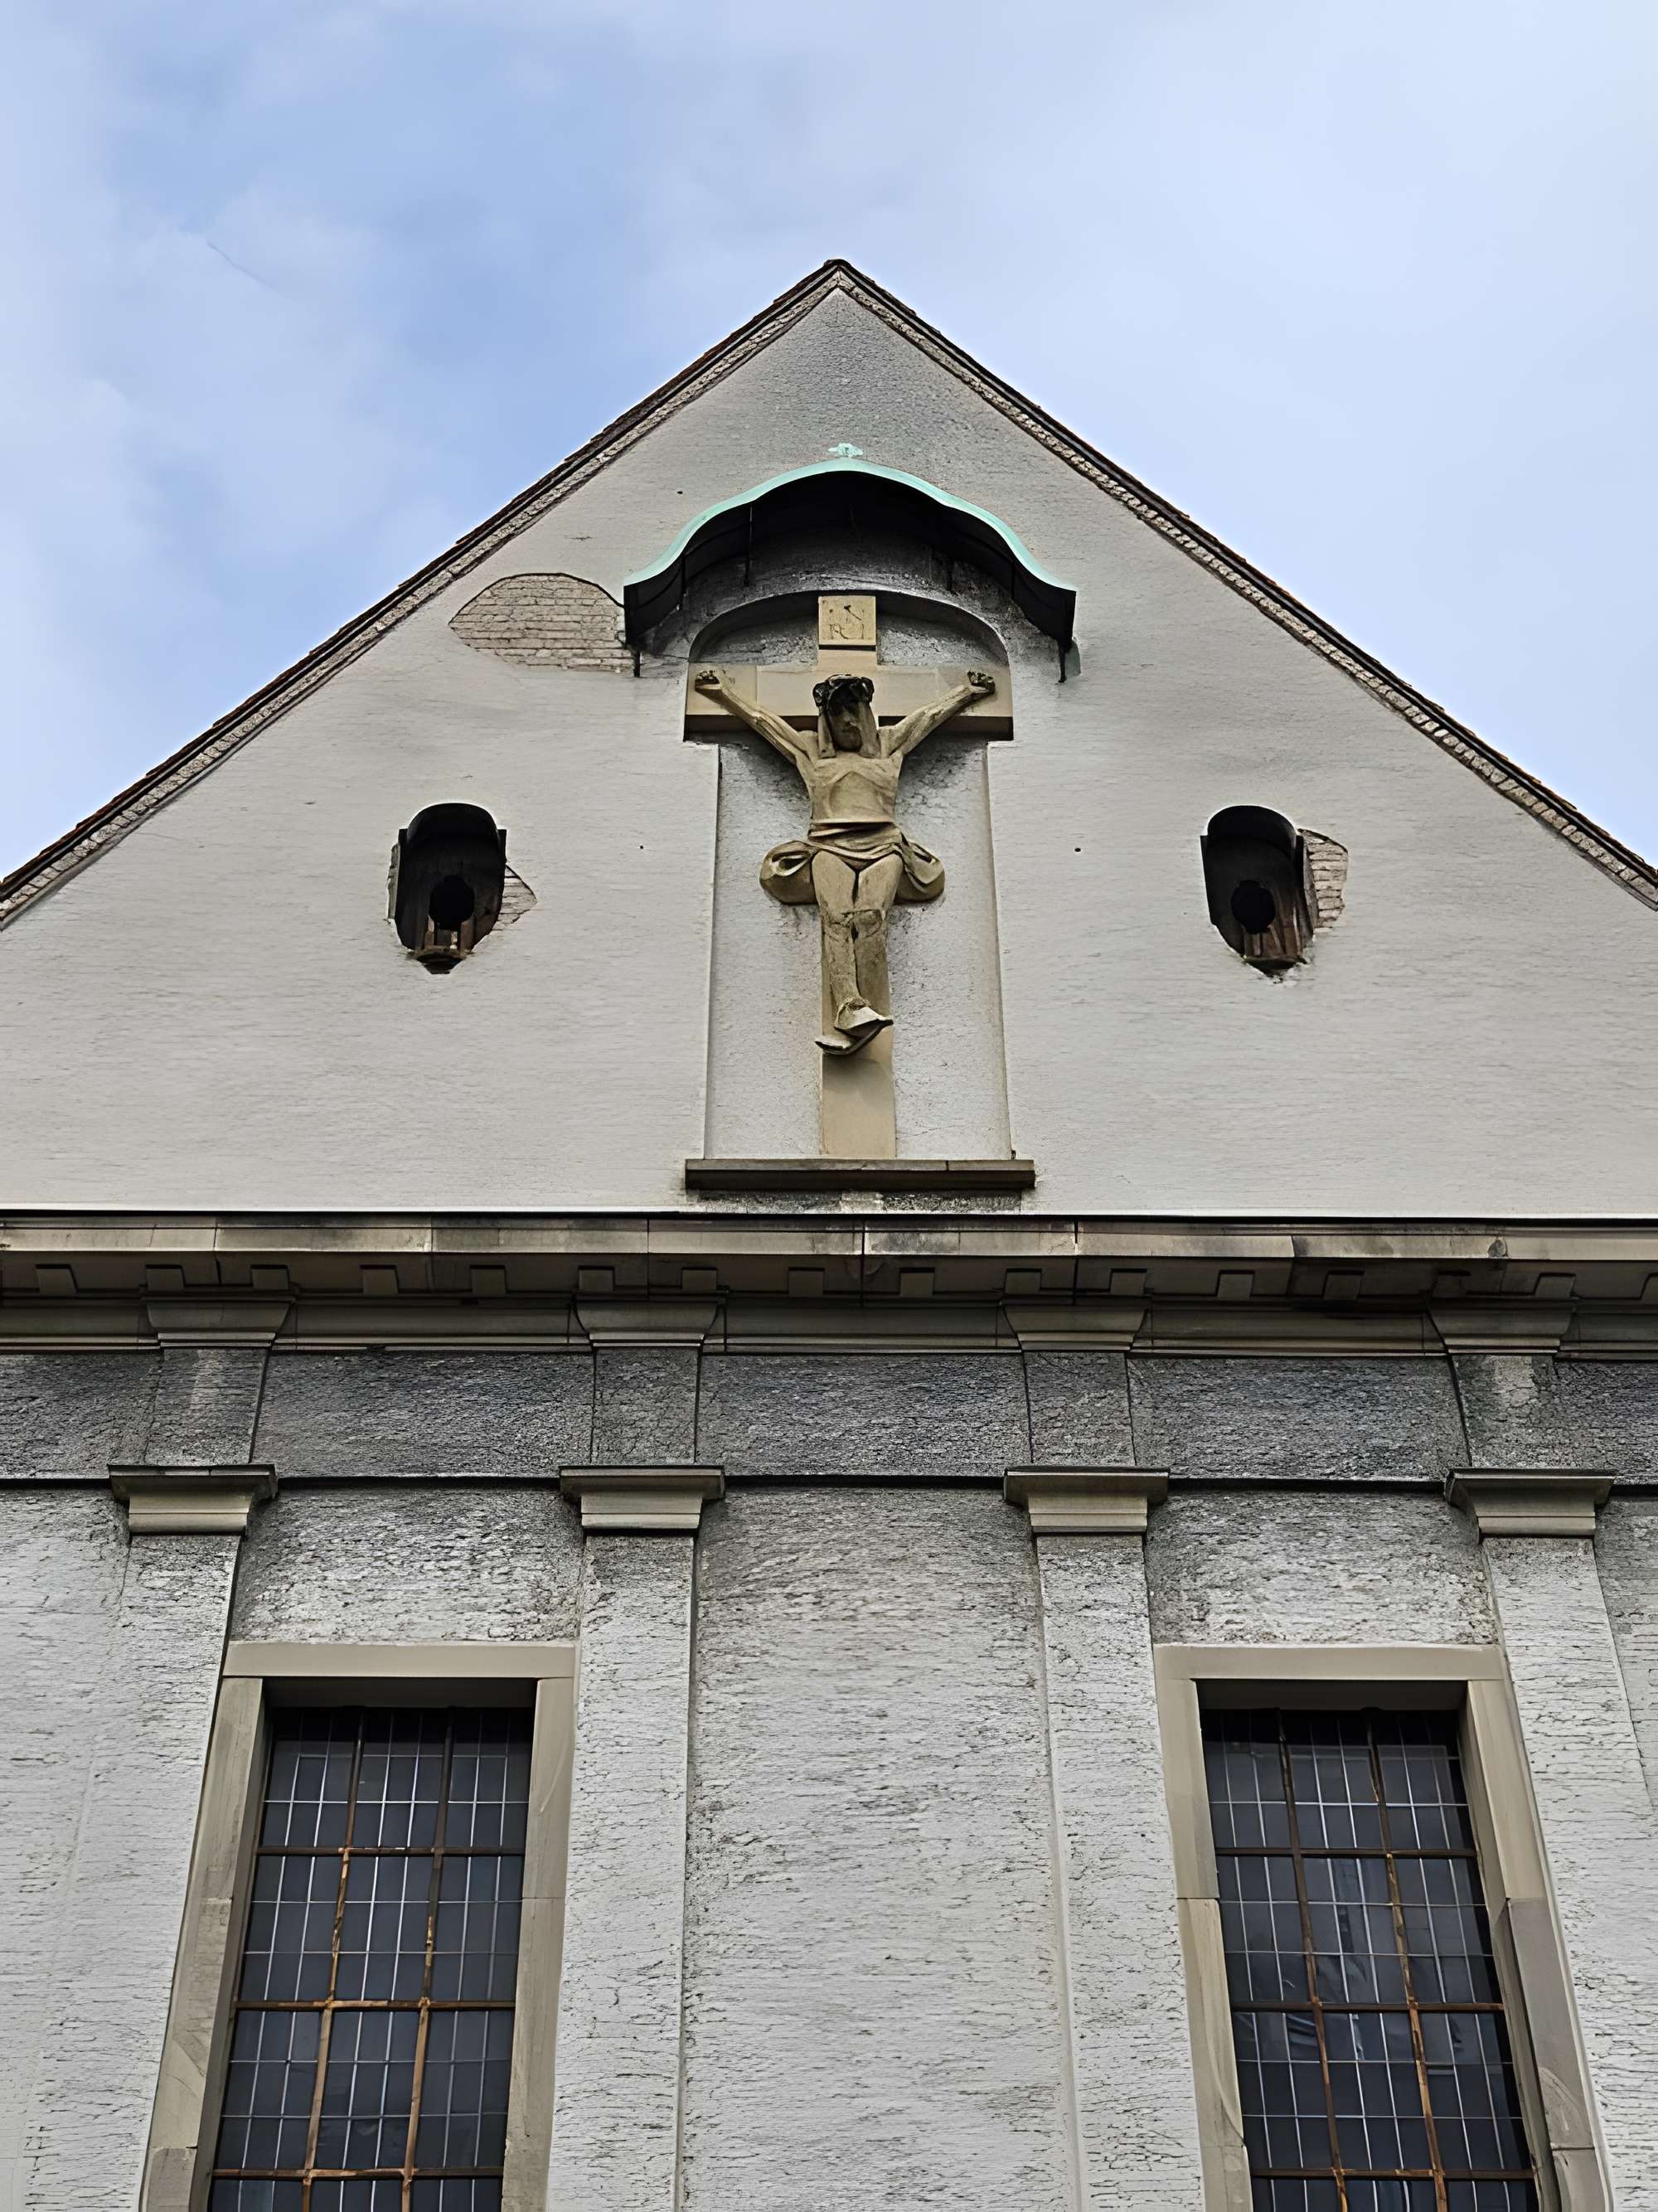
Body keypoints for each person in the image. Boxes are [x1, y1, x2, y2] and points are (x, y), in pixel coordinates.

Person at [694, 662, 996, 1052]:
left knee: (871, 918)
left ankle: (866, 1010)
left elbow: (929, 717)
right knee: (836, 919)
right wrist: (722, 694)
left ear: (866, 714)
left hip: (884, 845)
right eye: (837, 714)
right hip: (828, 845)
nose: (848, 721)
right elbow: (763, 722)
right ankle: (849, 1007)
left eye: (854, 711)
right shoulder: (809, 751)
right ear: (827, 721)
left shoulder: (888, 745)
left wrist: (967, 694)